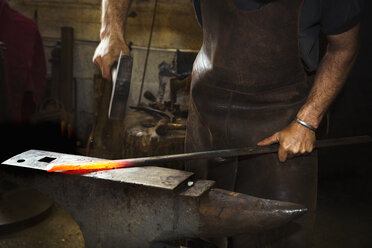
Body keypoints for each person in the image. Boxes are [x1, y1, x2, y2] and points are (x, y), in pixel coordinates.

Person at [93, 0, 361, 247]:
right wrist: (111, 31)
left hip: (280, 127)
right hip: (207, 119)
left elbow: (344, 47)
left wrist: (307, 120)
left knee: (278, 238)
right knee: (202, 232)